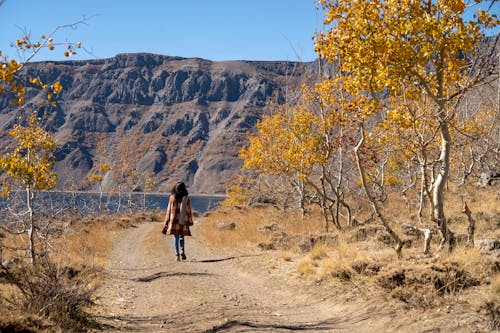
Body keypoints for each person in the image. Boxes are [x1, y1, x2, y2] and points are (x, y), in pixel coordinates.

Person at [162, 182, 193, 261]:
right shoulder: (186, 198)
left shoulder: (172, 198)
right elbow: (189, 210)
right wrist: (190, 221)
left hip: (174, 220)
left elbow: (169, 210)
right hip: (183, 220)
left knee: (176, 238)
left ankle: (177, 255)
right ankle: (182, 250)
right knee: (181, 236)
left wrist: (166, 221)